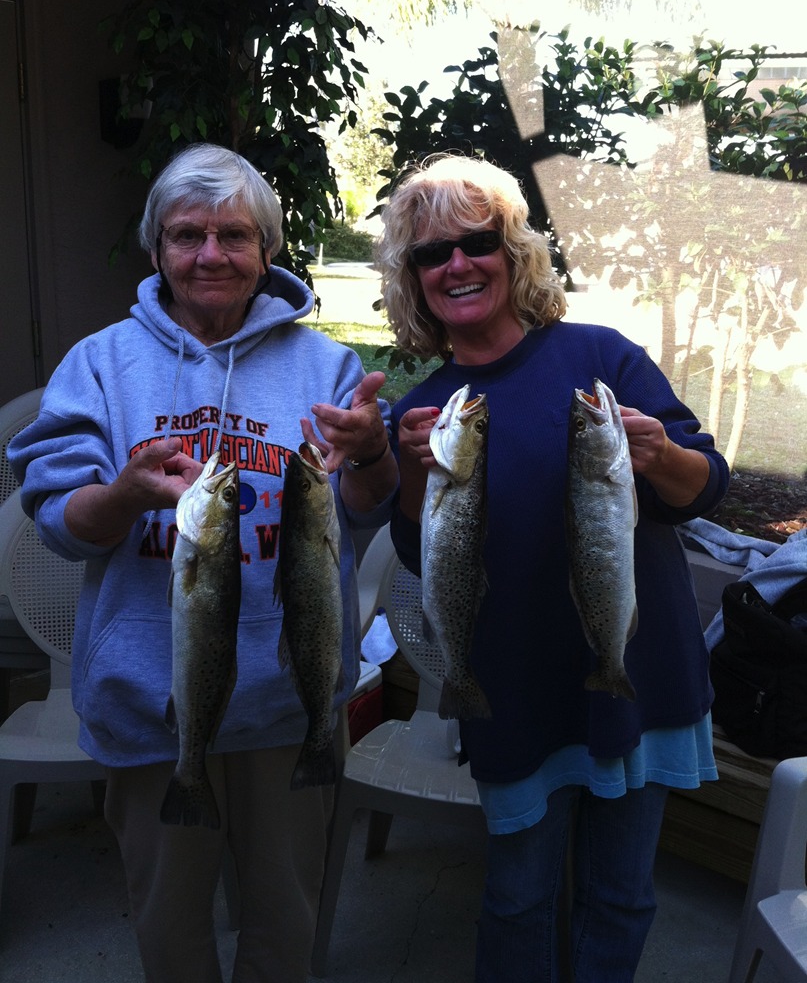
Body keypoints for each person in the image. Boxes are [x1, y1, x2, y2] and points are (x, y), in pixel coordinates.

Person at [9, 142, 397, 983]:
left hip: (291, 703)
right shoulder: (101, 365)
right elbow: (59, 522)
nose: (211, 255)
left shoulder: (324, 365)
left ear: (267, 252)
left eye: (233, 235)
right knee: (170, 928)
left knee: (282, 924)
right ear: (157, 250)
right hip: (151, 704)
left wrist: (371, 455)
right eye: (187, 235)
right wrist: (124, 495)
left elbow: (367, 513)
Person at [376, 153, 730, 983]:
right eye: (431, 253)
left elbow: (704, 487)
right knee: (517, 897)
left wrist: (660, 454)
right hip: (513, 692)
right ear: (413, 277)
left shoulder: (601, 359)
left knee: (621, 895)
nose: (457, 264)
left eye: (476, 241)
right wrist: (412, 478)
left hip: (638, 674)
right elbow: (416, 555)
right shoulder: (423, 412)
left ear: (513, 251)